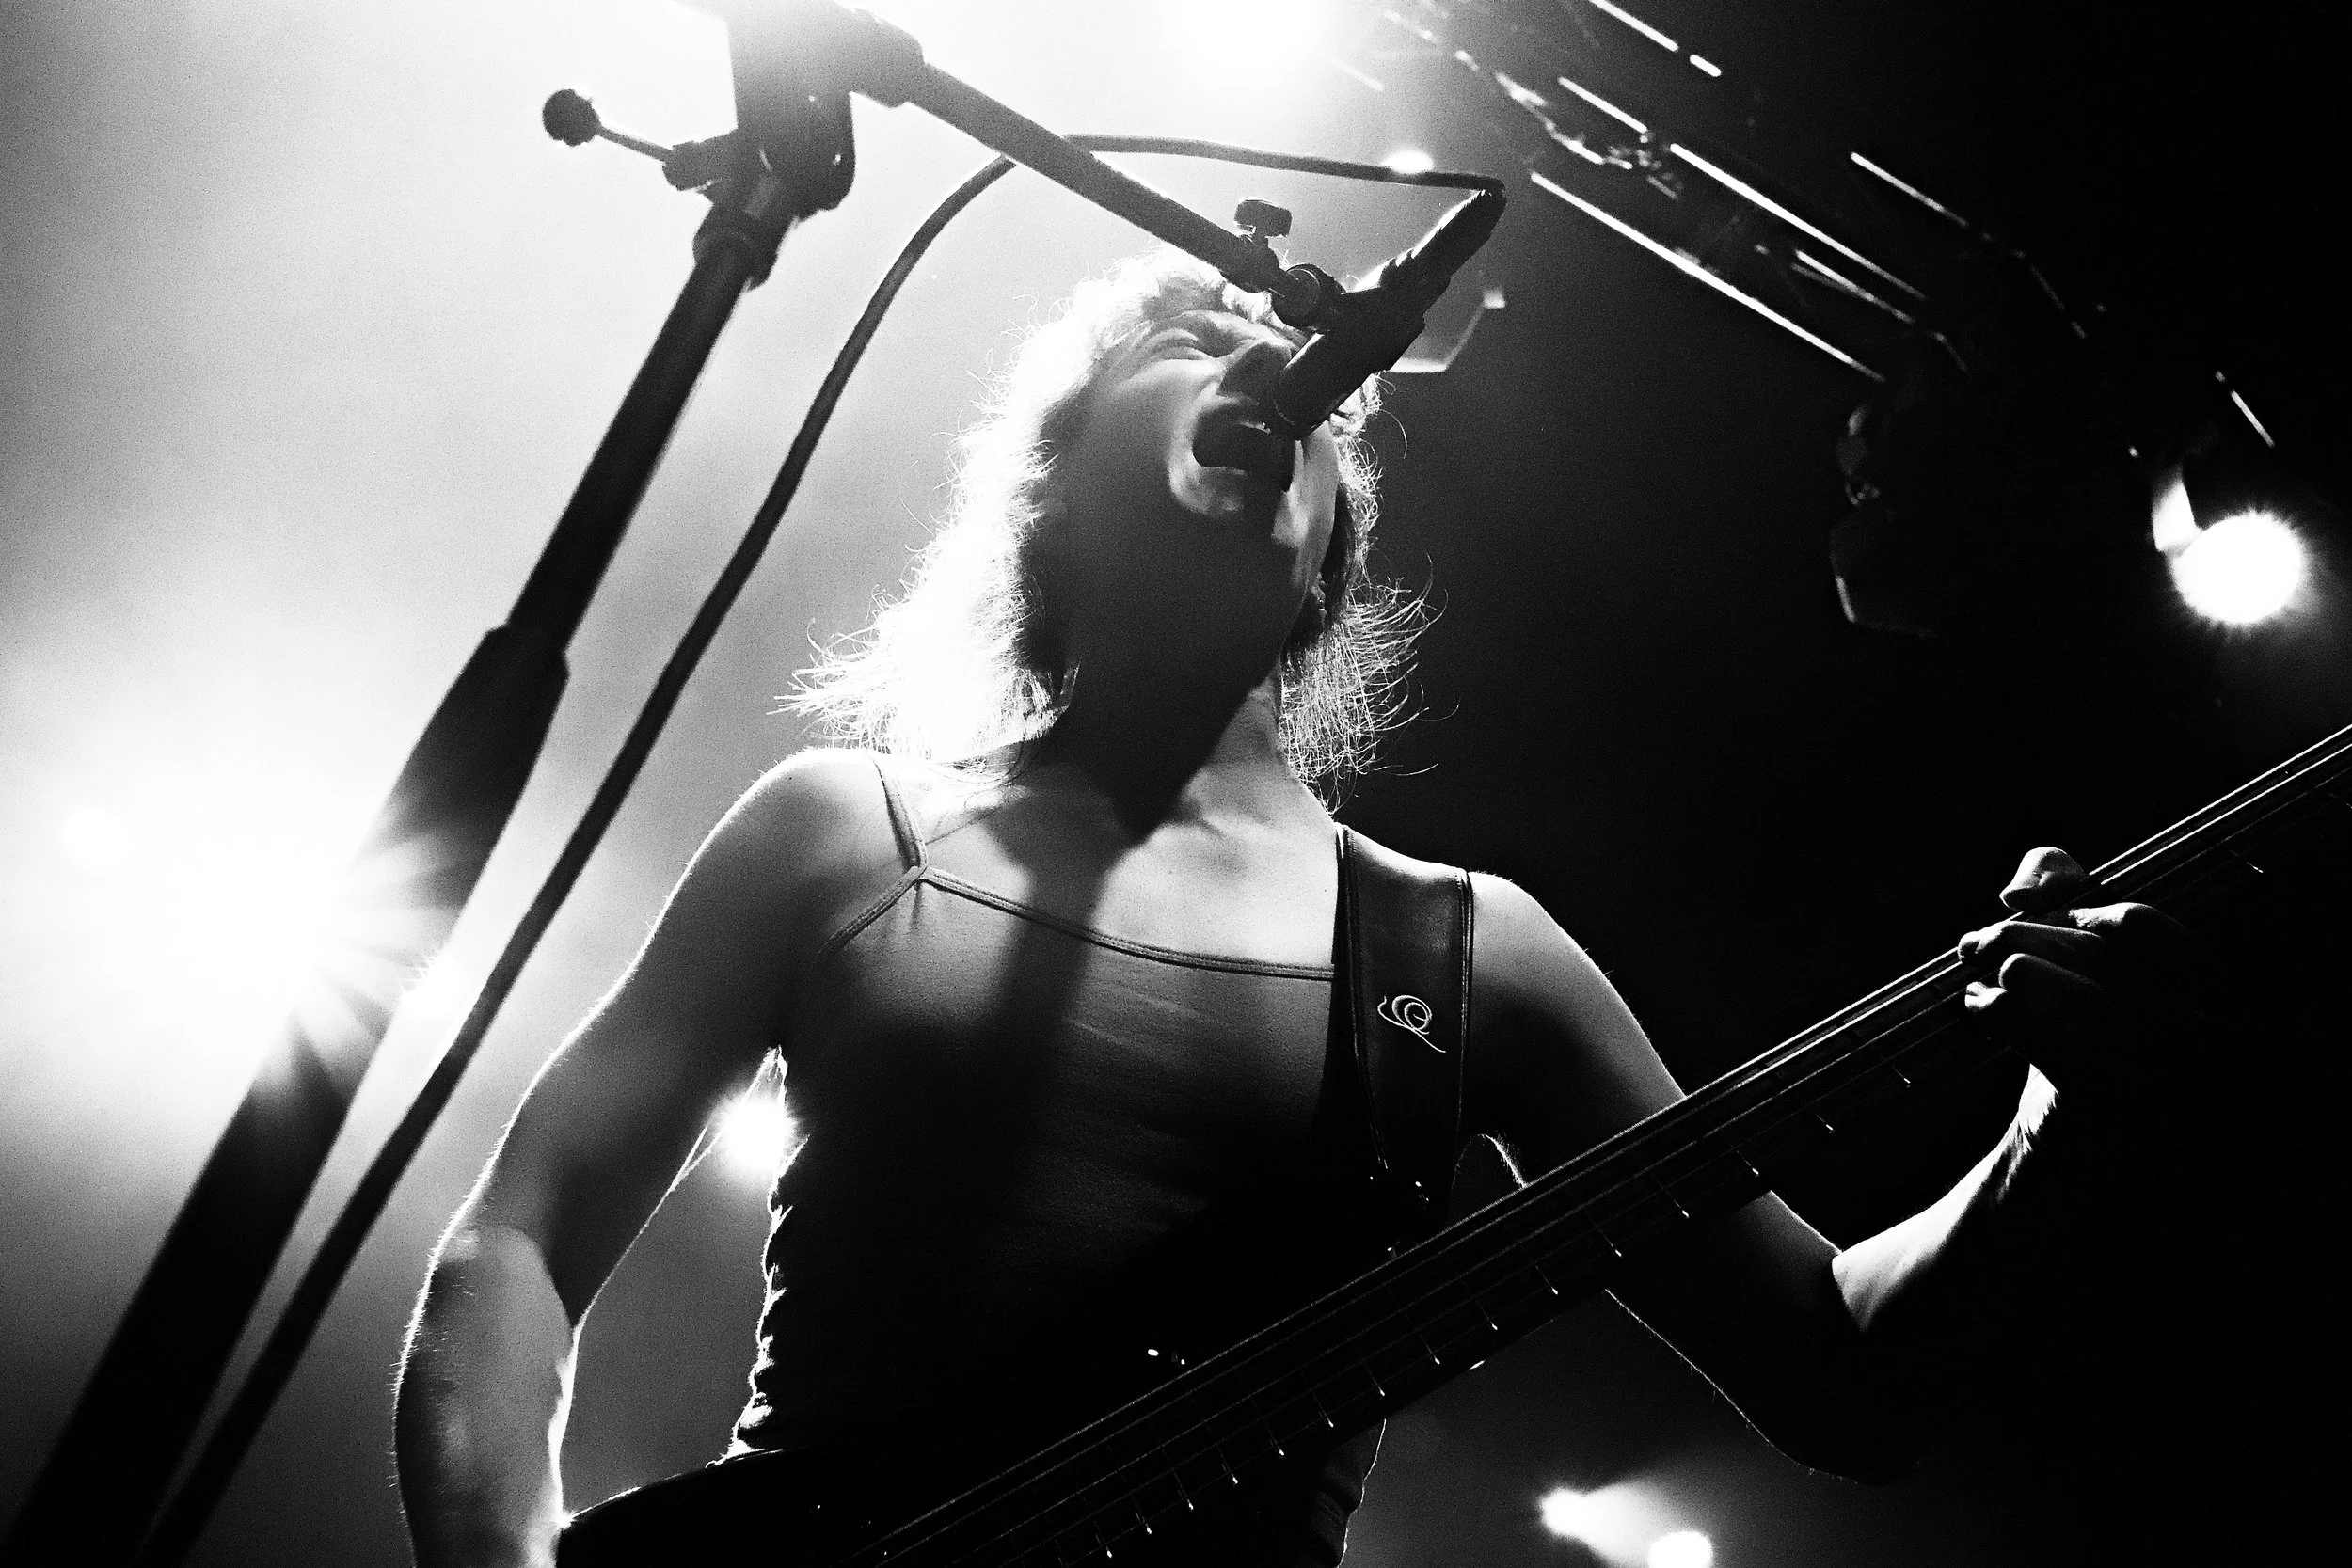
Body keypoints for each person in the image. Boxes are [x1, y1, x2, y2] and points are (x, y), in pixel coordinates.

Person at [393, 254, 2207, 1567]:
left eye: (1300, 376)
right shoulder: (845, 835)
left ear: (1334, 543)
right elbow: (521, 1233)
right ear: (1049, 482)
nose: (1269, 357)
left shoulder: (1466, 953)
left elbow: (1840, 1373)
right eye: (1190, 338)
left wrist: (2069, 1112)